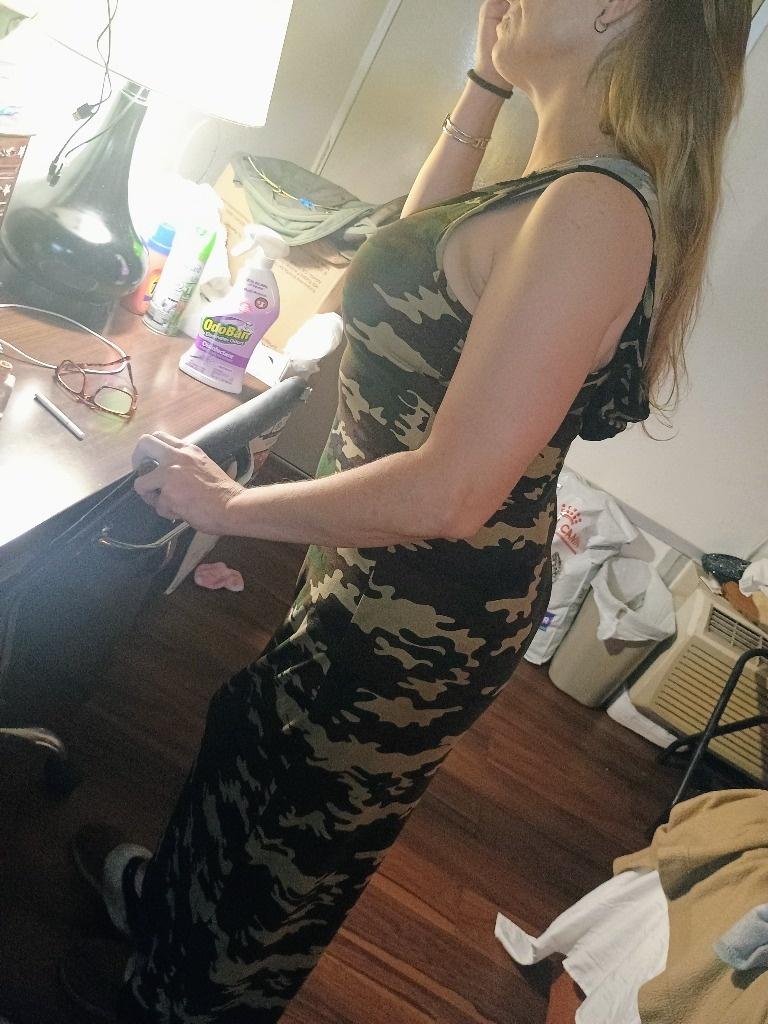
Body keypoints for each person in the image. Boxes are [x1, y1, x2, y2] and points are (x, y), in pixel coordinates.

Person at [61, 1, 752, 1021]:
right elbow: (395, 267)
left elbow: (453, 491)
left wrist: (233, 503)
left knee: (292, 834)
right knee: (255, 746)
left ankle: (180, 1000)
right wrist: (483, 85)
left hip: (426, 605)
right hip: (381, 559)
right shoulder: (556, 183)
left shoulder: (594, 212)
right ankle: (168, 912)